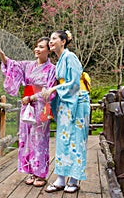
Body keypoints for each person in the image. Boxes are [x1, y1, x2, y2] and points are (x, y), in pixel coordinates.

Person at [0, 37, 56, 187]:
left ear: (48, 51)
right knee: (26, 138)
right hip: (27, 106)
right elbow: (12, 65)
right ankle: (30, 171)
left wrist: (33, 96)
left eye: (41, 47)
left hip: (41, 106)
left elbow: (51, 92)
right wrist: (1, 54)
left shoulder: (52, 69)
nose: (37, 49)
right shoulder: (28, 65)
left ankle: (40, 174)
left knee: (39, 139)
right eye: (36, 46)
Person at [42, 30, 90, 193]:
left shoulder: (70, 57)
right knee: (63, 139)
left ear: (63, 41)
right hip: (65, 102)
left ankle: (75, 179)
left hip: (78, 101)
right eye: (50, 39)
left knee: (76, 139)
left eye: (54, 38)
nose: (51, 41)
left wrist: (54, 88)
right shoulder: (60, 60)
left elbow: (74, 82)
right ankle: (61, 178)